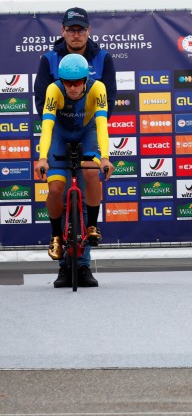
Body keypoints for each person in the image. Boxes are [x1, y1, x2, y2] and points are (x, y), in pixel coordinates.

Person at [36, 54, 115, 288]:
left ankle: (92, 225)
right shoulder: (54, 89)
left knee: (91, 174)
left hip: (86, 133)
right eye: (67, 82)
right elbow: (47, 126)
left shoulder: (97, 88)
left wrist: (105, 158)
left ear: (85, 79)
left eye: (77, 82)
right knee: (56, 187)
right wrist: (42, 158)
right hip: (60, 136)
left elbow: (102, 124)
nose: (71, 87)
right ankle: (56, 236)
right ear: (61, 80)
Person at [34, 7, 117, 118]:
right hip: (59, 129)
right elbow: (41, 101)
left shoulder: (103, 58)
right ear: (63, 30)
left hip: (90, 128)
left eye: (81, 30)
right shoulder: (48, 59)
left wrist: (91, 128)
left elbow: (108, 100)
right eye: (71, 30)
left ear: (88, 30)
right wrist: (59, 129)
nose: (76, 35)